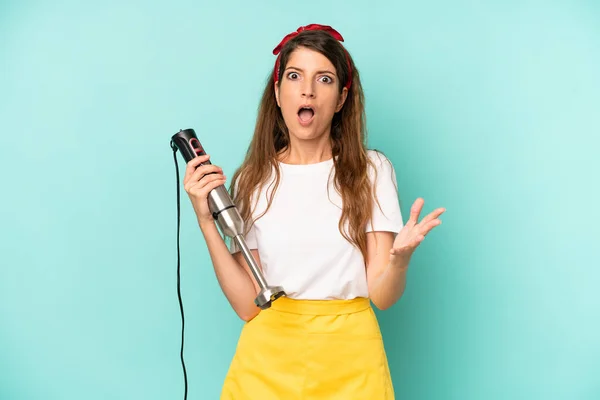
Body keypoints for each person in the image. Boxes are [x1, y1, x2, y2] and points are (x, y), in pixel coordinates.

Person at [182, 24, 445, 400]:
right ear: (277, 93)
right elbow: (246, 305)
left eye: (324, 78)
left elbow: (383, 296)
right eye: (294, 76)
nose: (308, 89)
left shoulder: (371, 171)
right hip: (267, 360)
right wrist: (206, 219)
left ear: (341, 99)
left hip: (352, 360)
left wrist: (399, 261)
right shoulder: (252, 180)